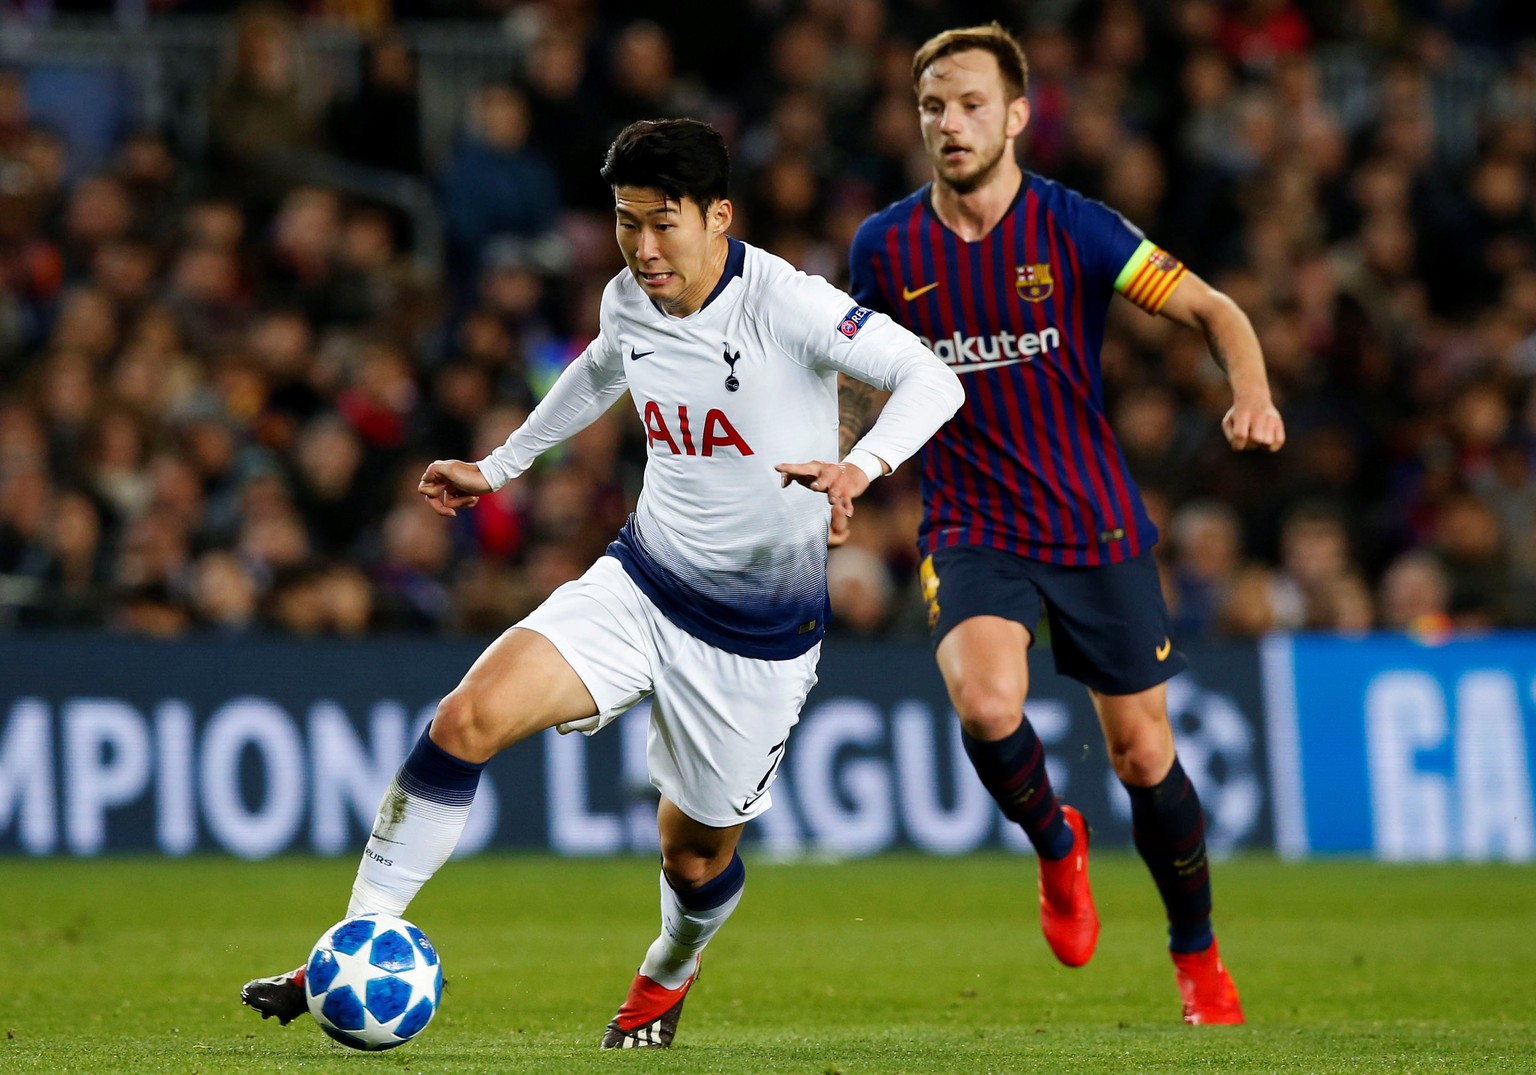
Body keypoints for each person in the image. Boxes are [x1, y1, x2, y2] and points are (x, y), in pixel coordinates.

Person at [241, 117, 964, 1049]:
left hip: (757, 636)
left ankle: (668, 969)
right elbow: (600, 369)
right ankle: (357, 937)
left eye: (664, 223)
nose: (644, 247)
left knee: (693, 855)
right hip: (642, 580)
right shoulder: (629, 296)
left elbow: (931, 380)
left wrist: (859, 469)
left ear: (719, 216)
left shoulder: (787, 301)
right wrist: (499, 467)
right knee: (466, 718)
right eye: (627, 222)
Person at [843, 24, 1285, 1026]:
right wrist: (842, 465)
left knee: (1142, 755)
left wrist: (1250, 392)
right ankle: (1056, 844)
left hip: (1092, 522)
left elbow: (1216, 309)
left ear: (1015, 115)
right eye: (931, 107)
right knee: (988, 705)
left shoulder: (1077, 229)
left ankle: (1197, 953)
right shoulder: (885, 246)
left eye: (967, 104)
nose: (948, 124)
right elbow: (852, 369)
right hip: (969, 522)